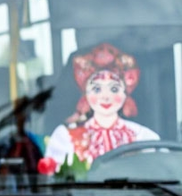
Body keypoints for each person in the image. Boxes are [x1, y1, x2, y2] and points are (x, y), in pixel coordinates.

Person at [43, 42, 159, 171]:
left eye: (114, 89)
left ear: (125, 93)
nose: (106, 96)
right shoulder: (65, 137)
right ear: (85, 94)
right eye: (97, 89)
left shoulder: (142, 136)